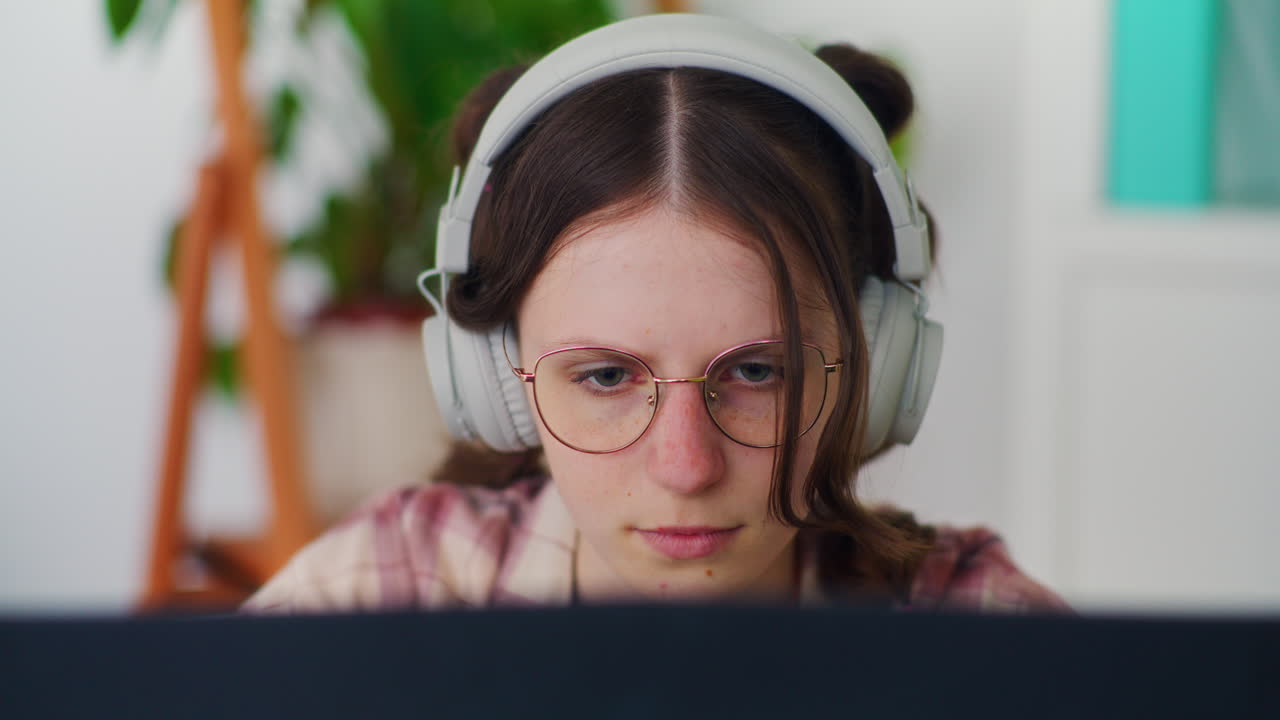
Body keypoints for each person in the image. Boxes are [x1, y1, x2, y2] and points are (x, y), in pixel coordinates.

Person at [244, 13, 1066, 614]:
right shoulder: (378, 599)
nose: (686, 468)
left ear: (873, 368)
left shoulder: (978, 629)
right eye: (604, 376)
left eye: (757, 370)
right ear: (498, 375)